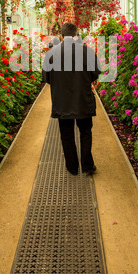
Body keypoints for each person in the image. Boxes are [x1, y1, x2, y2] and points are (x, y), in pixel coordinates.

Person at [42, 22, 101, 176]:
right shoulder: (87, 52)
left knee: (66, 134)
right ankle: (87, 166)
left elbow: (46, 78)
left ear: (61, 36)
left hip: (62, 101)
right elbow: (95, 74)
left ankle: (72, 167)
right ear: (76, 34)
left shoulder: (51, 53)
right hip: (82, 99)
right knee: (85, 132)